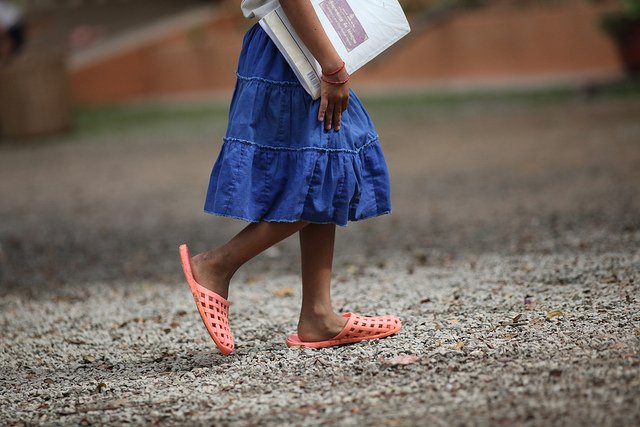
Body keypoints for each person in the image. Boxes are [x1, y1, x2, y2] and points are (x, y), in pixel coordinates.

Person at [179, 0, 401, 356]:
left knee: (318, 170)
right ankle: (217, 265)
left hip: (301, 44)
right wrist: (331, 67)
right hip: (293, 49)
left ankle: (317, 316)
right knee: (331, 172)